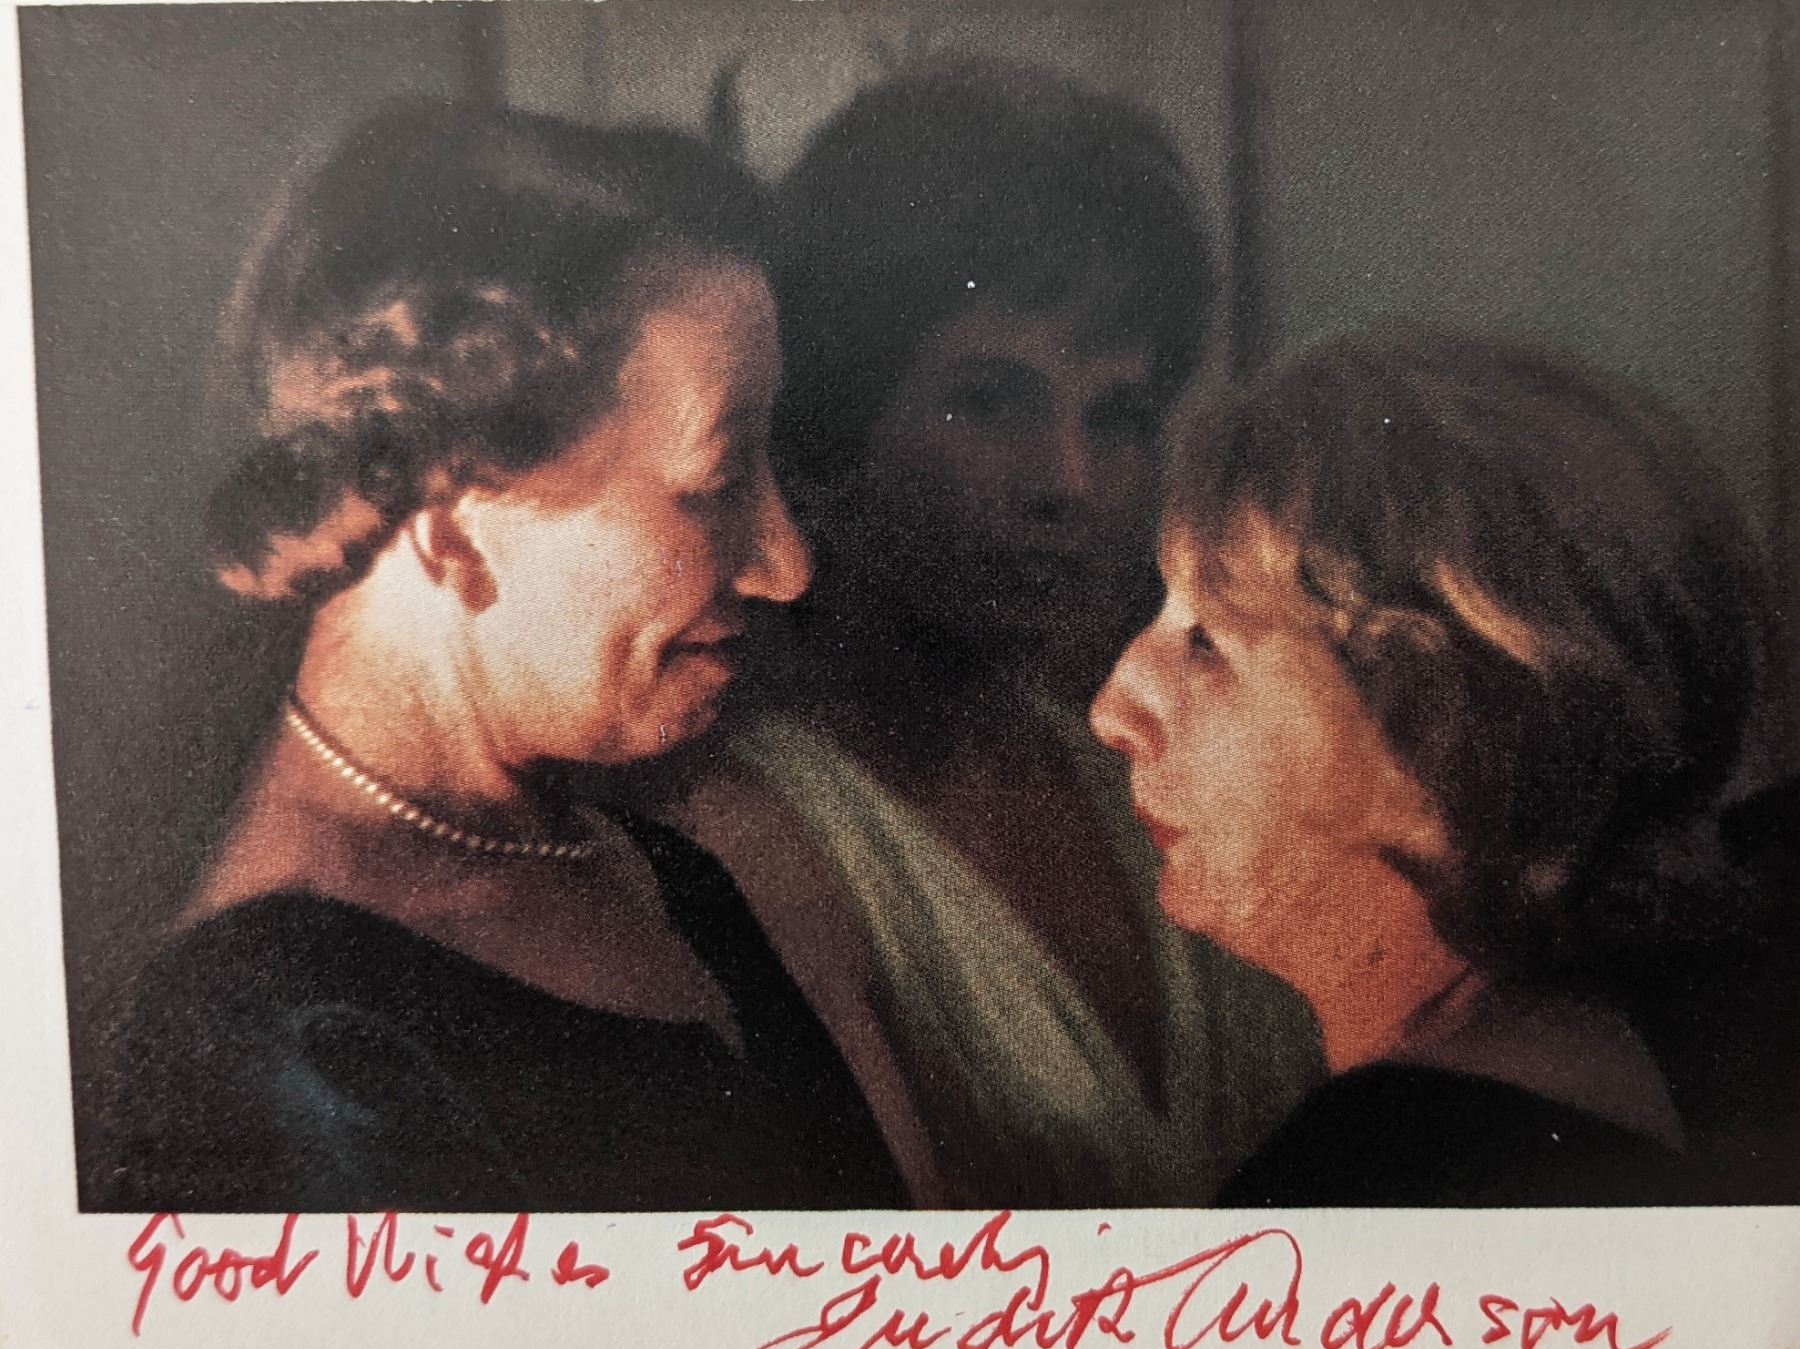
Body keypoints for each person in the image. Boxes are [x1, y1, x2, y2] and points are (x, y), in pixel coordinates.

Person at [100, 103, 905, 1212]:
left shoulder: (662, 874)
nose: (786, 563)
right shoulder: (275, 1044)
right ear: (451, 526)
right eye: (720, 479)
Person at [674, 60, 1321, 1208]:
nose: (1067, 480)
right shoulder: (741, 830)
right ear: (837, 412)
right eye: (988, 400)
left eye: (1117, 416)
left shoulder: (1138, 769)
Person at [1091, 327, 1774, 1207]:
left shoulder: (1390, 1171)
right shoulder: (1595, 1074)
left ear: (1452, 738)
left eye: (1207, 644)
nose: (1111, 711)